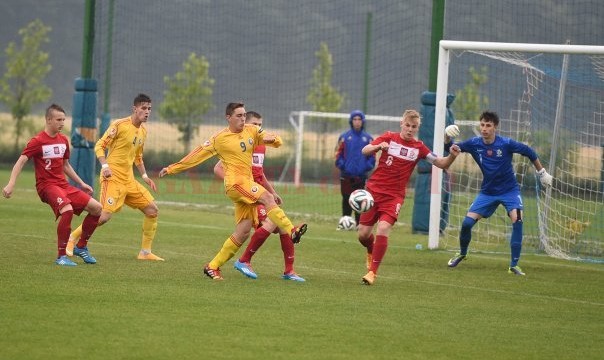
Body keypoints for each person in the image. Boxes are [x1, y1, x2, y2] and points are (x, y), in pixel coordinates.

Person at [159, 102, 307, 280]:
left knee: (243, 232)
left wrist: (273, 139)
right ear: (228, 117)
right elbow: (196, 155)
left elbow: (275, 140)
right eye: (239, 115)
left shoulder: (252, 130)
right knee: (268, 198)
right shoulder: (219, 138)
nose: (243, 119)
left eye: (244, 115)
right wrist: (172, 168)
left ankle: (212, 267)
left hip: (246, 184)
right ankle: (292, 230)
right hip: (235, 184)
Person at [357, 109, 460, 285]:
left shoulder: (419, 148)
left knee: (382, 228)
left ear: (417, 128)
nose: (410, 129)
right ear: (401, 124)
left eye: (414, 126)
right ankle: (370, 250)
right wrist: (377, 147)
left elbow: (441, 163)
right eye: (407, 125)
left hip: (394, 197)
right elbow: (365, 150)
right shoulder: (389, 137)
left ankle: (372, 273)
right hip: (373, 193)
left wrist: (452, 155)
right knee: (363, 235)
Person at [444, 110, 553, 276]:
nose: (484, 128)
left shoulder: (506, 143)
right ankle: (462, 253)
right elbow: (451, 149)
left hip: (510, 191)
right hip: (488, 192)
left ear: (495, 127)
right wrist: (447, 137)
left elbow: (529, 151)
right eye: (482, 125)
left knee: (517, 219)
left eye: (488, 125)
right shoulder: (474, 143)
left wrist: (542, 172)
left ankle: (514, 265)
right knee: (466, 224)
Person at [2, 104, 102, 266]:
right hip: (46, 186)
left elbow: (65, 165)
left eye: (63, 119)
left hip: (63, 185)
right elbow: (21, 162)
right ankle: (61, 256)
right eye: (58, 120)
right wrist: (10, 184)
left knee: (97, 208)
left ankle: (81, 247)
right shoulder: (37, 141)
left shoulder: (63, 140)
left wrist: (81, 183)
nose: (62, 123)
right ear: (48, 120)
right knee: (67, 210)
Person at [67, 93, 163, 261]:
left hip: (129, 181)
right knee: (103, 217)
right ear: (134, 109)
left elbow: (138, 157)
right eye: (144, 108)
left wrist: (145, 176)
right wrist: (105, 166)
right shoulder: (119, 125)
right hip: (112, 179)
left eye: (149, 109)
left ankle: (145, 253)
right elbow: (99, 145)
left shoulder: (143, 131)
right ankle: (72, 238)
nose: (147, 112)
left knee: (152, 210)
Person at [214, 111, 305, 281]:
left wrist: (272, 192)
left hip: (261, 194)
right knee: (272, 222)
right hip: (248, 194)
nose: (258, 128)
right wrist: (235, 182)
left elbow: (259, 173)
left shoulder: (261, 145)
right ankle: (243, 260)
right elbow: (217, 168)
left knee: (282, 227)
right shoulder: (238, 144)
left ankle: (289, 271)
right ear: (246, 125)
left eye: (260, 124)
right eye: (254, 124)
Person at [335, 110, 375, 228]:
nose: (357, 122)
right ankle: (345, 223)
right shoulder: (344, 137)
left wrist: (365, 167)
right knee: (347, 198)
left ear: (363, 122)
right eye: (355, 119)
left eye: (359, 119)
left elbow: (372, 158)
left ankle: (359, 224)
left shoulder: (368, 139)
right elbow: (337, 154)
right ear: (351, 121)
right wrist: (344, 166)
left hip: (361, 176)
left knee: (360, 199)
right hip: (346, 175)